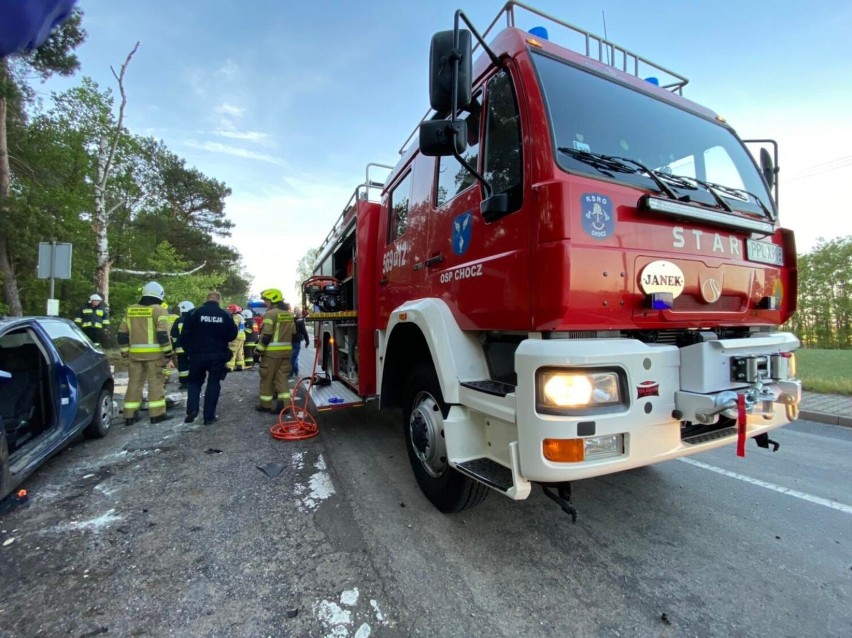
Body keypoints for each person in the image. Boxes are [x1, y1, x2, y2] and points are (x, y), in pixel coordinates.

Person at [117, 281, 173, 425]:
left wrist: (125, 352)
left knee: (134, 383)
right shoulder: (159, 310)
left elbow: (122, 333)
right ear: (160, 295)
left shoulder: (131, 310)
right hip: (155, 355)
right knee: (156, 383)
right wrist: (168, 352)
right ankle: (157, 414)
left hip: (134, 355)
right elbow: (162, 333)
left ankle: (129, 414)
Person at [179, 291, 238, 425]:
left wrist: (190, 351)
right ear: (219, 300)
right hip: (217, 355)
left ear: (206, 300)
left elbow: (184, 335)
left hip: (197, 355)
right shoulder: (225, 314)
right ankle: (208, 417)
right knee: (213, 383)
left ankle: (192, 409)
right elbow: (232, 335)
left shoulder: (194, 313)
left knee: (194, 382)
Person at [254, 288, 295, 413]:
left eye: (266, 300)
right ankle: (284, 405)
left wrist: (258, 351)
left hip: (271, 354)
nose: (265, 303)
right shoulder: (288, 314)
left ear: (272, 300)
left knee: (267, 378)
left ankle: (265, 405)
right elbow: (293, 334)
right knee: (282, 379)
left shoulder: (270, 314)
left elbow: (266, 335)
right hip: (286, 353)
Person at [170, 300, 195, 390]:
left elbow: (173, 335)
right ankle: (193, 381)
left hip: (181, 348)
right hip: (193, 348)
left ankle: (184, 383)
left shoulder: (178, 320)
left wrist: (173, 347)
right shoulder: (195, 319)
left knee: (183, 365)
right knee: (193, 364)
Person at [289, 307, 310, 378]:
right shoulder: (300, 321)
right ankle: (292, 373)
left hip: (290, 341)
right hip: (296, 342)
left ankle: (296, 372)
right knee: (293, 358)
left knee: (294, 357)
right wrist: (307, 342)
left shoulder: (289, 320)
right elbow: (304, 332)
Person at [225, 304, 246, 372]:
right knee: (239, 352)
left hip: (236, 337)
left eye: (229, 310)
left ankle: (229, 367)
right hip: (242, 336)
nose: (228, 311)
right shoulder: (240, 316)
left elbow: (234, 327)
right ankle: (240, 366)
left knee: (232, 351)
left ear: (233, 310)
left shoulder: (235, 317)